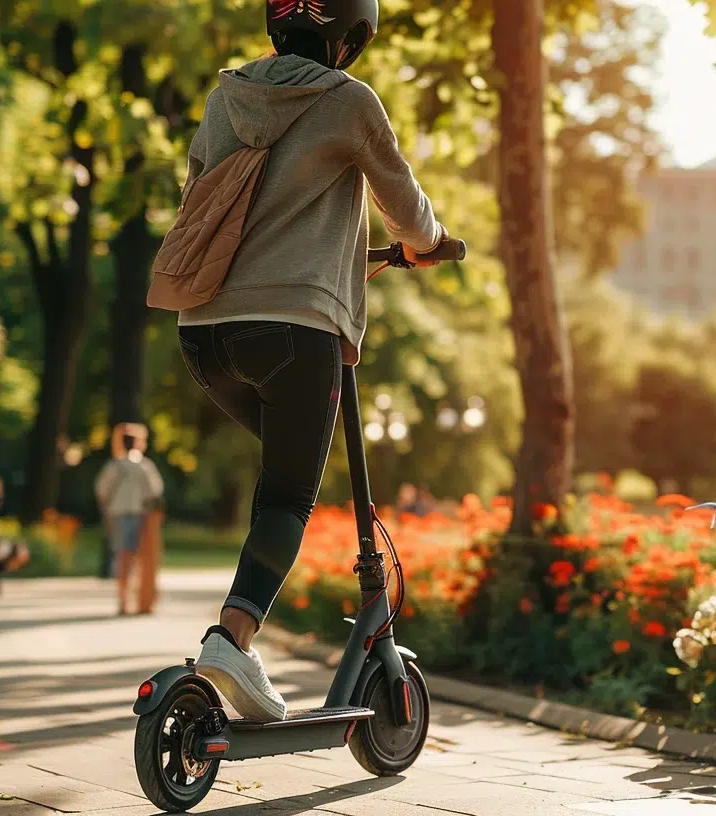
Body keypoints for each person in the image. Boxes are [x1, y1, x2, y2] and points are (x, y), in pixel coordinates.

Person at [177, 0, 453, 723]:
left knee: (282, 471)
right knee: (288, 497)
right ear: (352, 34)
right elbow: (404, 204)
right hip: (293, 331)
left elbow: (201, 197)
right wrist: (428, 240)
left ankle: (234, 646)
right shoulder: (347, 100)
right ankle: (230, 640)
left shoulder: (225, 96)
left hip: (204, 333)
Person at [95, 423, 165, 617]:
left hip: (119, 516)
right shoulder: (145, 466)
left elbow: (102, 490)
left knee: (123, 557)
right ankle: (141, 601)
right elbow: (156, 491)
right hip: (143, 517)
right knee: (141, 560)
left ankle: (124, 600)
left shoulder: (114, 465)